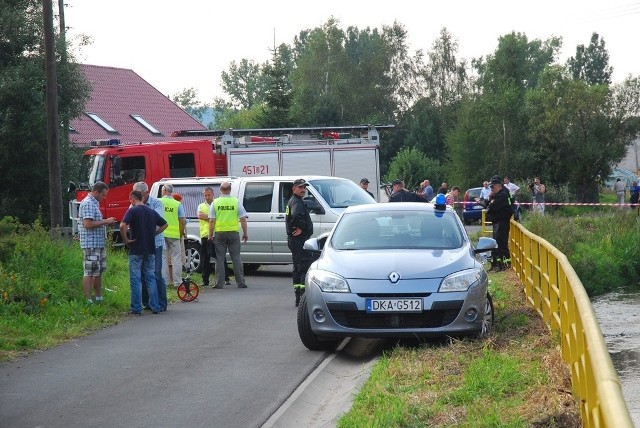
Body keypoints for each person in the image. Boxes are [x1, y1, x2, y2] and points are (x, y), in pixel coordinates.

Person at [119, 190, 168, 315]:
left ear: (133, 199)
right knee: (150, 278)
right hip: (150, 249)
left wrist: (126, 240)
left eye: (131, 200)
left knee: (136, 279)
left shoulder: (132, 211)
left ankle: (136, 308)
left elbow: (122, 225)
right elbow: (164, 224)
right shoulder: (151, 212)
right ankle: (155, 306)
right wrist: (153, 234)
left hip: (136, 249)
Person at [78, 182, 117, 304]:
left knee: (98, 271)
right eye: (103, 195)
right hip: (91, 243)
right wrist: (105, 221)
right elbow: (88, 224)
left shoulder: (94, 203)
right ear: (96, 192)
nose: (104, 198)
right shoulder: (88, 203)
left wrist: (105, 222)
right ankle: (88, 299)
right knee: (89, 271)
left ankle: (98, 297)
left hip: (98, 243)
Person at [132, 181, 168, 312]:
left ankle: (161, 303)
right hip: (141, 244)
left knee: (156, 274)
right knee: (142, 274)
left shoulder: (156, 203)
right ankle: (147, 303)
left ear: (145, 193)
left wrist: (151, 233)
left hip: (155, 243)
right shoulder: (133, 204)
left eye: (138, 194)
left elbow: (160, 222)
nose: (135, 196)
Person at [208, 181, 249, 289]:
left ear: (220, 190)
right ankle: (240, 283)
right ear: (230, 190)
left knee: (220, 259)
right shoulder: (236, 202)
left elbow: (212, 221)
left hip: (220, 233)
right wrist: (245, 233)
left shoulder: (215, 202)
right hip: (233, 233)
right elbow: (243, 219)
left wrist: (210, 235)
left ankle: (219, 283)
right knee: (236, 258)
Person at [286, 178, 314, 307]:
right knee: (304, 267)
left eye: (304, 187)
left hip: (295, 240)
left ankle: (298, 298)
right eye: (301, 187)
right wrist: (302, 227)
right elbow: (296, 216)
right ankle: (303, 299)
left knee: (297, 267)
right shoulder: (296, 202)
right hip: (299, 240)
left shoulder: (294, 201)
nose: (303, 190)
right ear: (294, 188)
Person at [197, 187, 230, 287]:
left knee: (221, 257)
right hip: (205, 235)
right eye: (205, 195)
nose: (207, 197)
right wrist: (212, 217)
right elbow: (200, 215)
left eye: (209, 195)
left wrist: (209, 217)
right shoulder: (201, 206)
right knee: (205, 259)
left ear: (213, 194)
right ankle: (205, 280)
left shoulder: (217, 204)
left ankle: (226, 278)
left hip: (217, 234)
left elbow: (219, 217)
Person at [160, 183, 186, 288]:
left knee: (163, 257)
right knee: (176, 258)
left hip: (161, 233)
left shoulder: (159, 202)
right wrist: (180, 233)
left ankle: (165, 282)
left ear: (164, 190)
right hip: (175, 234)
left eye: (162, 190)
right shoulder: (177, 204)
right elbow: (182, 221)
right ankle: (177, 282)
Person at [485, 176, 514, 271]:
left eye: (492, 187)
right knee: (497, 243)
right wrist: (490, 202)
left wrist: (489, 204)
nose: (491, 189)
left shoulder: (502, 195)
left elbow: (491, 208)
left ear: (498, 186)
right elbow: (490, 206)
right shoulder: (502, 193)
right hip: (499, 221)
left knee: (501, 244)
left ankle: (505, 264)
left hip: (502, 222)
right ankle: (498, 264)